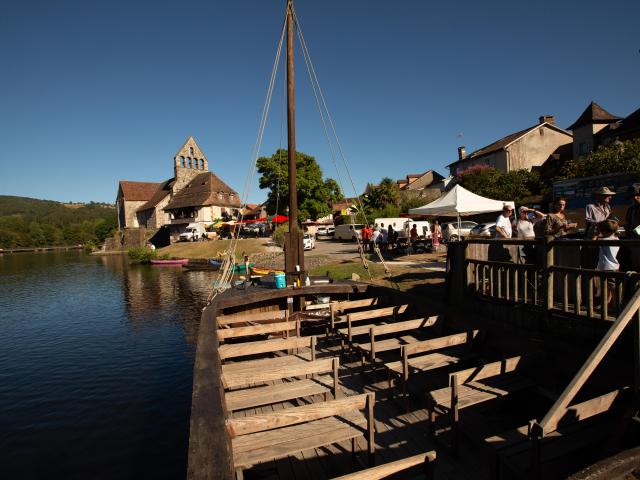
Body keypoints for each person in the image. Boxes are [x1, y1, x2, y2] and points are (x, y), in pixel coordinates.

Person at [597, 219, 620, 305]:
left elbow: (593, 241)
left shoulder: (603, 240)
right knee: (611, 285)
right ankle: (608, 302)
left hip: (606, 266)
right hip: (614, 266)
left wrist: (596, 235)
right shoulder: (617, 239)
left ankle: (617, 304)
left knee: (609, 286)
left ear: (605, 231)